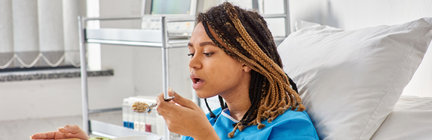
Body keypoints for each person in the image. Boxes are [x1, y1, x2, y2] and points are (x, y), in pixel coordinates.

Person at [31, 2, 319, 140]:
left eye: (207, 53)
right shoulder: (212, 121)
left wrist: (203, 135)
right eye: (190, 52)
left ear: (246, 60)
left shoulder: (289, 127)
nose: (193, 63)